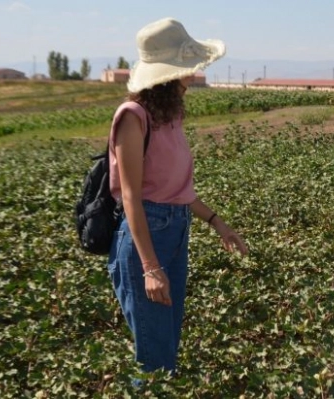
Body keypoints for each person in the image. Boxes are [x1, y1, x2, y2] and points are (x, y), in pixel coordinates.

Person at [106, 18, 248, 378]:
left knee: (166, 343)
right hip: (145, 239)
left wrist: (218, 223)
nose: (194, 74)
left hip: (175, 231)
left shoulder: (170, 116)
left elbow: (175, 191)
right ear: (171, 74)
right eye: (188, 68)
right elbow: (133, 199)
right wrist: (150, 268)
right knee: (154, 357)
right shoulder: (133, 118)